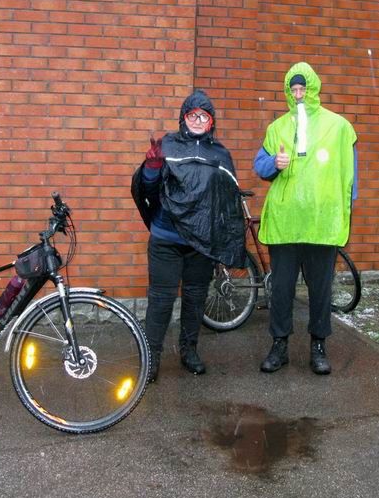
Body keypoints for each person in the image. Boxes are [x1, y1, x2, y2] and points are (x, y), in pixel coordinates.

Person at [132, 90, 245, 383]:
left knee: (195, 299)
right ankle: (152, 356)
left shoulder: (219, 154)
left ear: (211, 122)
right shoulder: (167, 145)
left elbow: (225, 203)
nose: (197, 120)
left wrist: (223, 245)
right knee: (161, 300)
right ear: (184, 117)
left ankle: (189, 350)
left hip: (201, 244)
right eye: (192, 115)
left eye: (203, 116)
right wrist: (152, 167)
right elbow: (148, 188)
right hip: (166, 238)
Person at [253, 62, 358, 375]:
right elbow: (260, 167)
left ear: (313, 88)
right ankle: (279, 345)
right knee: (282, 289)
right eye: (293, 89)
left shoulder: (338, 127)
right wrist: (274, 161)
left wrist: (342, 210)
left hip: (320, 224)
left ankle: (318, 346)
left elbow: (350, 176)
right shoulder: (277, 128)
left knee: (320, 290)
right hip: (286, 223)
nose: (298, 94)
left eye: (302, 88)